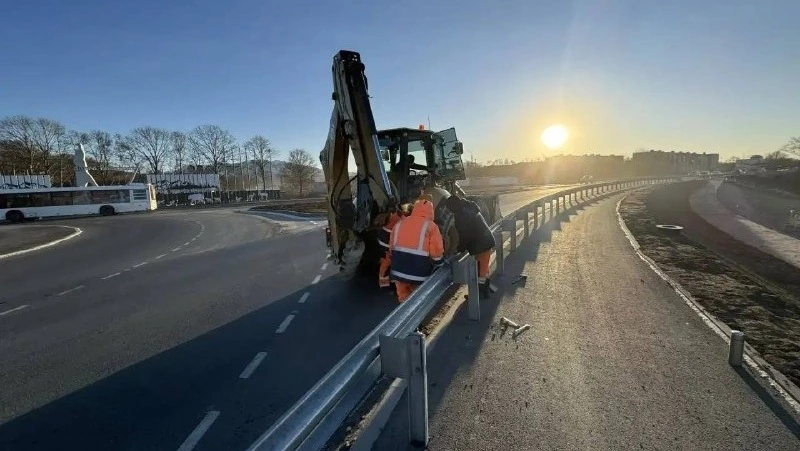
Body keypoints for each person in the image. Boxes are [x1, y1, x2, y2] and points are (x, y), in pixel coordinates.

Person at [381, 195, 444, 302]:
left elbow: (391, 247)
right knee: (419, 300)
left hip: (398, 271)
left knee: (404, 300)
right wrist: (439, 263)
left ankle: (404, 315)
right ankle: (421, 316)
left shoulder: (400, 223)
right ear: (431, 212)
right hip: (419, 273)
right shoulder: (431, 226)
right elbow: (436, 251)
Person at [444, 194, 495, 298]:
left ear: (453, 206)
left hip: (482, 244)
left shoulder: (462, 216)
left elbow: (464, 236)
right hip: (484, 241)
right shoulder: (468, 207)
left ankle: (480, 295)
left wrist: (458, 249)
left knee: (481, 271)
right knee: (482, 269)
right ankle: (485, 290)